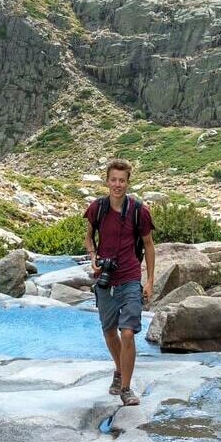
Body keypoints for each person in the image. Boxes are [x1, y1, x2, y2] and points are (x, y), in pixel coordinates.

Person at [84, 158, 155, 407]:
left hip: (130, 277)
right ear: (107, 181)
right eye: (113, 180)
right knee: (108, 331)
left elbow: (148, 245)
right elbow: (88, 237)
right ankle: (118, 370)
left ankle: (126, 388)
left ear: (128, 182)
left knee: (127, 332)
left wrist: (150, 281)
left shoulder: (139, 210)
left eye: (121, 181)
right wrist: (93, 257)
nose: (117, 184)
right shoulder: (98, 208)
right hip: (105, 279)